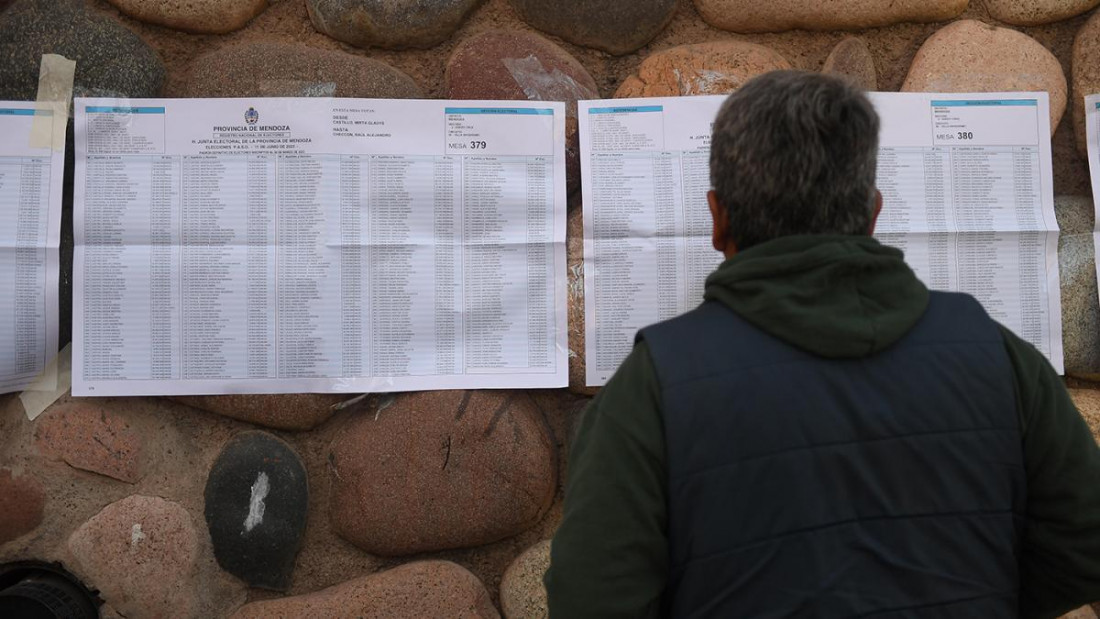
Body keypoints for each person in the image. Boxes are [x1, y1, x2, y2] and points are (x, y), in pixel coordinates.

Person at [544, 70, 1100, 618]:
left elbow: (592, 596)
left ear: (718, 218)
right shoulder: (999, 357)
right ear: (874, 212)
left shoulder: (654, 387)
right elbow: (1083, 544)